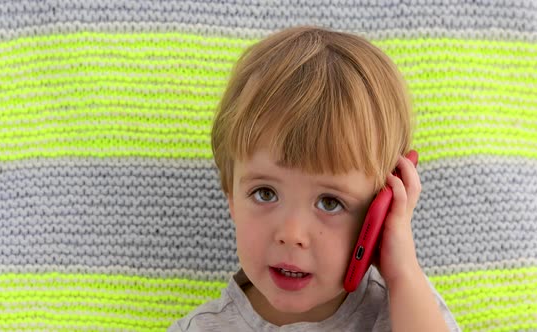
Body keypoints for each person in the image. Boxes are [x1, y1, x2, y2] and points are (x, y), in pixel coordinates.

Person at [169, 26, 460, 331]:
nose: (291, 234)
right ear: (231, 197)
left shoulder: (405, 306)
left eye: (330, 202)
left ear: (381, 212)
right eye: (265, 193)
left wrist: (402, 274)